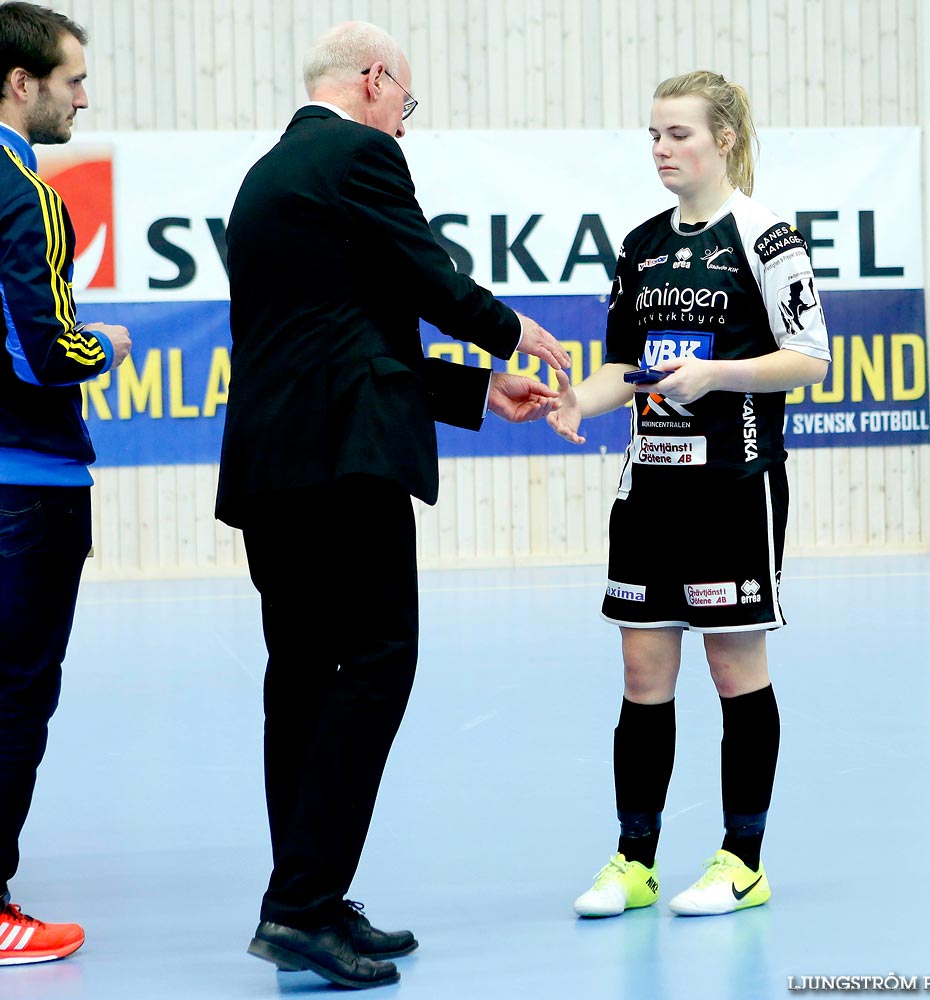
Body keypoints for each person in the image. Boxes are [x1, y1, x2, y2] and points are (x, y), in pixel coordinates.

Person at [216, 20, 570, 991]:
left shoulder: (269, 177)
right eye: (404, 104)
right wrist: (512, 332)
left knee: (300, 679)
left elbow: (344, 334)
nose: (402, 127)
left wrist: (473, 390)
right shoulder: (357, 152)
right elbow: (424, 273)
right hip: (343, 469)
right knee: (375, 661)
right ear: (373, 80)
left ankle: (307, 900)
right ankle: (300, 906)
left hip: (273, 468)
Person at [547, 70, 831, 919]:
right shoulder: (639, 244)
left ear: (726, 141)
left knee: (732, 663)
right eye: (654, 136)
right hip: (651, 493)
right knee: (641, 669)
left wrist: (717, 374)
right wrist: (573, 401)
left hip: (733, 490)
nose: (663, 150)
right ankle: (635, 861)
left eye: (679, 134)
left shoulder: (764, 236)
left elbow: (809, 358)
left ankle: (742, 860)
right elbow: (619, 370)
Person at [0, 0, 131, 965]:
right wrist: (107, 345)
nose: (82, 98)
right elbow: (44, 349)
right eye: (71, 79)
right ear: (21, 82)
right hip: (25, 484)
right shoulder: (24, 190)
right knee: (14, 690)